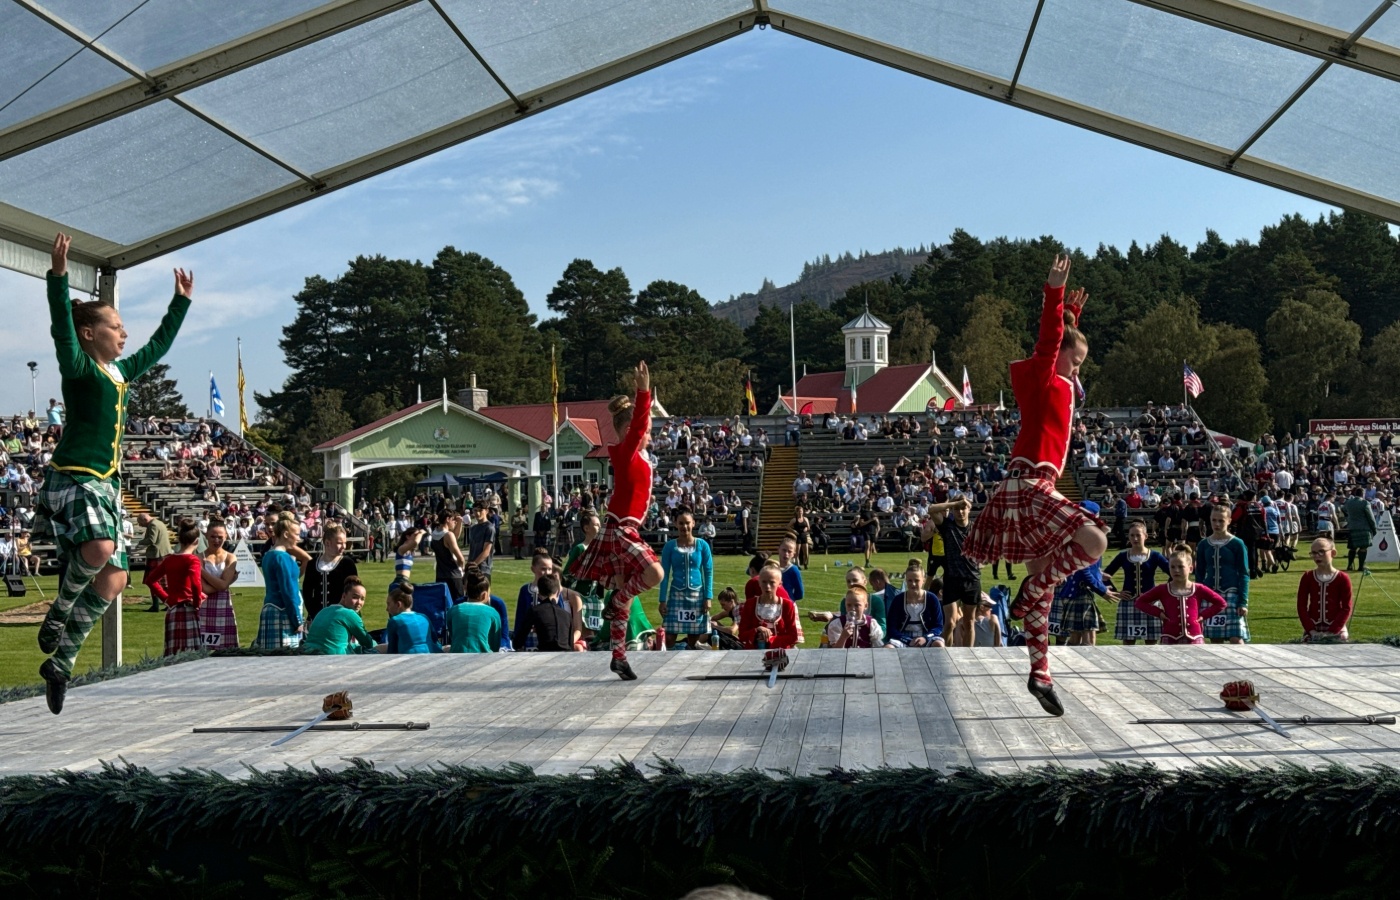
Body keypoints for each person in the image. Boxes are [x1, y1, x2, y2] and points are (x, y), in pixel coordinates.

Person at [34, 233, 192, 713]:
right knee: (101, 549)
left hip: (105, 485)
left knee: (116, 580)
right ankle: (59, 612)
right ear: (90, 333)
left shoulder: (119, 373)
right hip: (74, 477)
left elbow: (157, 347)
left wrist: (179, 305)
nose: (124, 335)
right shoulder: (78, 366)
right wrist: (58, 277)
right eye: (116, 327)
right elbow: (61, 325)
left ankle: (60, 662)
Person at [962, 254, 1105, 716]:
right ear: (1060, 354)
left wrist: (1072, 319)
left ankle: (1040, 673)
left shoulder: (1056, 380)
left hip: (1028, 484)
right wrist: (1054, 295)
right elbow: (1048, 342)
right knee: (1094, 539)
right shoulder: (1046, 375)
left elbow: (1058, 342)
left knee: (1042, 595)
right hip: (1029, 485)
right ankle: (1032, 590)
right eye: (1076, 362)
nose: (1078, 371)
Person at [569, 361, 665, 679]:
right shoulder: (626, 451)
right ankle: (619, 600)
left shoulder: (637, 459)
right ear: (628, 432)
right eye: (647, 431)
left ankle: (619, 657)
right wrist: (644, 392)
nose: (648, 436)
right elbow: (638, 425)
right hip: (619, 529)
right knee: (655, 572)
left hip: (623, 528)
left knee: (625, 596)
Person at [1134, 546, 1227, 645]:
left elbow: (1221, 603)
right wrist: (1159, 613)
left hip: (1194, 637)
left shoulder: (1198, 588)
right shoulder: (1163, 589)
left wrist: (1203, 616)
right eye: (1172, 567)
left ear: (1190, 568)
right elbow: (1140, 602)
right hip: (1169, 636)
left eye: (1181, 567)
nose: (1176, 570)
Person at [142, 518, 205, 656]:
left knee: (172, 653)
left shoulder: (170, 559)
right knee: (192, 653)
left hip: (173, 611)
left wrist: (165, 598)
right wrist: (197, 603)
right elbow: (195, 584)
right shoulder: (192, 560)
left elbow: (150, 580)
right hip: (188, 609)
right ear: (197, 541)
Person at [926, 496, 982, 647]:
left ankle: (968, 656)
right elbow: (931, 509)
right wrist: (954, 503)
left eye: (963, 508)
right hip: (951, 579)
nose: (960, 511)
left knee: (969, 622)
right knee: (950, 623)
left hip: (972, 579)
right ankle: (945, 653)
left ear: (969, 509)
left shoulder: (975, 528)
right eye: (957, 509)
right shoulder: (947, 526)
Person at [1104, 520, 1170, 645]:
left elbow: (1173, 574)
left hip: (1151, 603)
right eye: (1132, 535)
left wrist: (1163, 592)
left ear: (1145, 536)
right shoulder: (1123, 556)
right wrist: (1115, 593)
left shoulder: (1155, 556)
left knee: (1151, 643)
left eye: (1138, 535)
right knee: (1128, 642)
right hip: (1128, 603)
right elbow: (1104, 577)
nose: (1135, 538)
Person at [658, 510, 714, 650]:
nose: (684, 527)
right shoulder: (669, 546)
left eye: (687, 523)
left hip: (697, 596)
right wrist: (662, 600)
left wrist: (708, 597)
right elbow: (664, 573)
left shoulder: (702, 545)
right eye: (681, 523)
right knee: (670, 636)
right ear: (676, 524)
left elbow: (708, 571)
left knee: (693, 636)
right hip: (676, 594)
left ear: (693, 523)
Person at [1196, 506, 1251, 644]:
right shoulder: (1203, 544)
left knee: (1236, 638)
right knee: (1215, 638)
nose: (1217, 524)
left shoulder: (1237, 544)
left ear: (1229, 521)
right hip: (1210, 595)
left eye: (1221, 520)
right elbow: (1199, 573)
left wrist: (1243, 601)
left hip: (1231, 593)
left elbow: (1244, 573)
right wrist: (1198, 598)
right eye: (1214, 520)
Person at [252, 514, 305, 650]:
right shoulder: (283, 558)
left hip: (269, 609)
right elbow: (289, 591)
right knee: (285, 659)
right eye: (297, 534)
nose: (299, 538)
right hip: (283, 612)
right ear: (286, 534)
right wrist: (297, 621)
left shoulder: (268, 555)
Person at [1298, 537, 1354, 642]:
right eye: (1314, 553)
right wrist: (1311, 630)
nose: (1317, 556)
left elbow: (1347, 608)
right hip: (1313, 629)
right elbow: (1301, 606)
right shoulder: (1308, 577)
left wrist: (1331, 632)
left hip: (1336, 628)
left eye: (1321, 552)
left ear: (1333, 553)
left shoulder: (1342, 578)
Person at [302, 577, 375, 655]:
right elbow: (368, 643)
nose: (359, 602)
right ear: (343, 596)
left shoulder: (324, 610)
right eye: (355, 597)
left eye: (362, 599)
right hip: (334, 657)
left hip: (307, 653)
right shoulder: (349, 614)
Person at [302, 521, 357, 622]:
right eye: (340, 543)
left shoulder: (347, 564)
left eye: (345, 543)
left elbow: (354, 592)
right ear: (327, 543)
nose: (344, 546)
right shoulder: (312, 564)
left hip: (341, 617)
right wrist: (314, 614)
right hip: (317, 618)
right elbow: (307, 593)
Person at [197, 517, 240, 649]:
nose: (216, 540)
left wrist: (202, 572)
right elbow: (204, 589)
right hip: (203, 606)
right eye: (213, 537)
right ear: (206, 536)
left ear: (226, 536)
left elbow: (222, 585)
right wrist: (226, 582)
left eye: (220, 537)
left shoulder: (230, 557)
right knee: (204, 647)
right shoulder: (199, 557)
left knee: (226, 648)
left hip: (224, 605)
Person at [885, 560, 945, 647]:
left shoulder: (931, 598)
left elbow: (938, 626)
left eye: (916, 580)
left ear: (923, 580)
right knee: (888, 648)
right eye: (910, 580)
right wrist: (907, 640)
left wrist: (925, 638)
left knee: (938, 644)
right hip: (903, 638)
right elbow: (891, 628)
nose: (913, 584)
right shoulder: (898, 600)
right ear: (906, 580)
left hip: (926, 637)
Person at [738, 563, 798, 650]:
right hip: (753, 653)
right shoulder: (750, 604)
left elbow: (793, 637)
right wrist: (756, 630)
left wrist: (771, 639)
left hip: (780, 654)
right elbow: (742, 635)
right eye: (764, 582)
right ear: (759, 582)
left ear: (780, 584)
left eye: (772, 582)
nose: (767, 586)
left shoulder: (787, 605)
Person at [513, 573, 575, 652]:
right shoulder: (567, 615)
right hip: (566, 655)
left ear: (539, 593)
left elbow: (518, 642)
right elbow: (571, 644)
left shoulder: (534, 611)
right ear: (558, 591)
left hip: (546, 654)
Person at [446, 572, 502, 653]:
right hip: (484, 657)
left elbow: (453, 637)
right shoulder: (492, 613)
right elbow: (495, 645)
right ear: (484, 595)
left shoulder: (454, 610)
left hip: (457, 655)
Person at [383, 583, 440, 653]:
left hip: (409, 660)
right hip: (430, 657)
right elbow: (436, 643)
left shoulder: (395, 621)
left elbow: (392, 651)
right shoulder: (424, 617)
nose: (387, 609)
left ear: (398, 604)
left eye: (389, 604)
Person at [135, 512, 173, 612]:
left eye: (140, 523)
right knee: (164, 582)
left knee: (152, 581)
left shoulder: (153, 525)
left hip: (156, 555)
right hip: (163, 554)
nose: (140, 526)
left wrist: (140, 542)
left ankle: (157, 605)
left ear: (145, 519)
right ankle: (169, 602)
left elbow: (152, 540)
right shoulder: (160, 523)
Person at [431, 510, 468, 599]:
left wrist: (459, 523)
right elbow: (461, 558)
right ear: (448, 519)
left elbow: (453, 538)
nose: (454, 522)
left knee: (444, 605)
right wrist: (462, 569)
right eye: (453, 520)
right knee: (458, 604)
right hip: (454, 575)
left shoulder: (434, 533)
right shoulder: (448, 535)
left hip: (440, 575)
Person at [1343, 486, 1378, 572]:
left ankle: (1349, 565)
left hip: (1352, 527)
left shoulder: (1349, 502)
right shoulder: (1365, 503)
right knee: (1363, 548)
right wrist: (1374, 528)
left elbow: (1343, 509)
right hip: (1364, 528)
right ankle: (1361, 567)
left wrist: (1349, 518)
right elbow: (1371, 517)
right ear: (1363, 494)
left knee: (1352, 548)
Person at [466, 504, 496, 579]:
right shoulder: (473, 528)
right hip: (471, 568)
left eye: (480, 510)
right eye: (475, 510)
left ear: (486, 511)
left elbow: (486, 551)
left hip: (483, 569)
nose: (478, 513)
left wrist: (473, 564)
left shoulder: (489, 528)